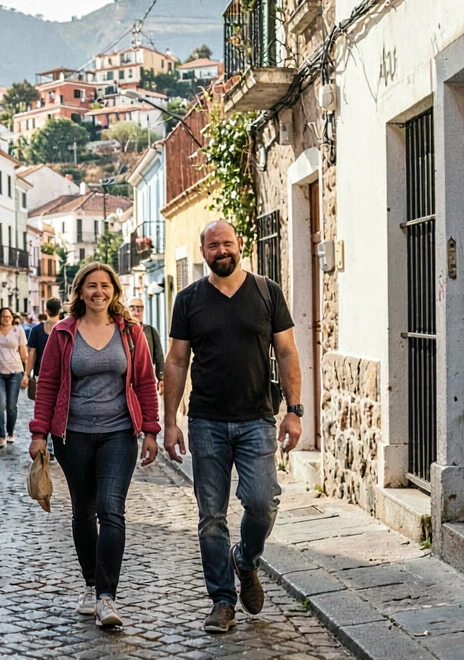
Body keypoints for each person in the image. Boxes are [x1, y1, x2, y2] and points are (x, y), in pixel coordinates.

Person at [162, 220, 302, 634]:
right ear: (203, 252)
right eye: (212, 245)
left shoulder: (266, 292)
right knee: (211, 516)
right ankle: (222, 601)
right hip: (206, 421)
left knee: (262, 501)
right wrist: (170, 422)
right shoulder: (188, 300)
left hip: (257, 418)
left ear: (239, 244)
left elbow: (287, 351)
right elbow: (176, 361)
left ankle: (245, 558)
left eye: (226, 243)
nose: (220, 250)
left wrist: (294, 410)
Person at [29, 263, 160, 629]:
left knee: (111, 510)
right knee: (84, 512)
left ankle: (106, 596)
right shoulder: (63, 333)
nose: (98, 291)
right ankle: (90, 584)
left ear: (114, 291)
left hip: (119, 433)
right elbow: (48, 384)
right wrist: (39, 434)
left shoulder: (131, 332)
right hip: (73, 436)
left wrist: (151, 430)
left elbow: (145, 382)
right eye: (91, 285)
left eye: (104, 285)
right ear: (80, 291)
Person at [0, 306, 29, 448]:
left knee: (11, 406)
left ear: (12, 318)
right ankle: (1, 435)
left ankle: (10, 433)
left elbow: (24, 354)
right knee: (0, 404)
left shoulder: (18, 331)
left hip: (15, 371)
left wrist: (26, 374)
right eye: (3, 317)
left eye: (8, 317)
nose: (6, 319)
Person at [127, 297, 165, 382]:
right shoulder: (121, 331)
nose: (136, 313)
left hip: (145, 378)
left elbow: (159, 356)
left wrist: (161, 378)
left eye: (139, 310)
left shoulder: (150, 331)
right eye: (132, 309)